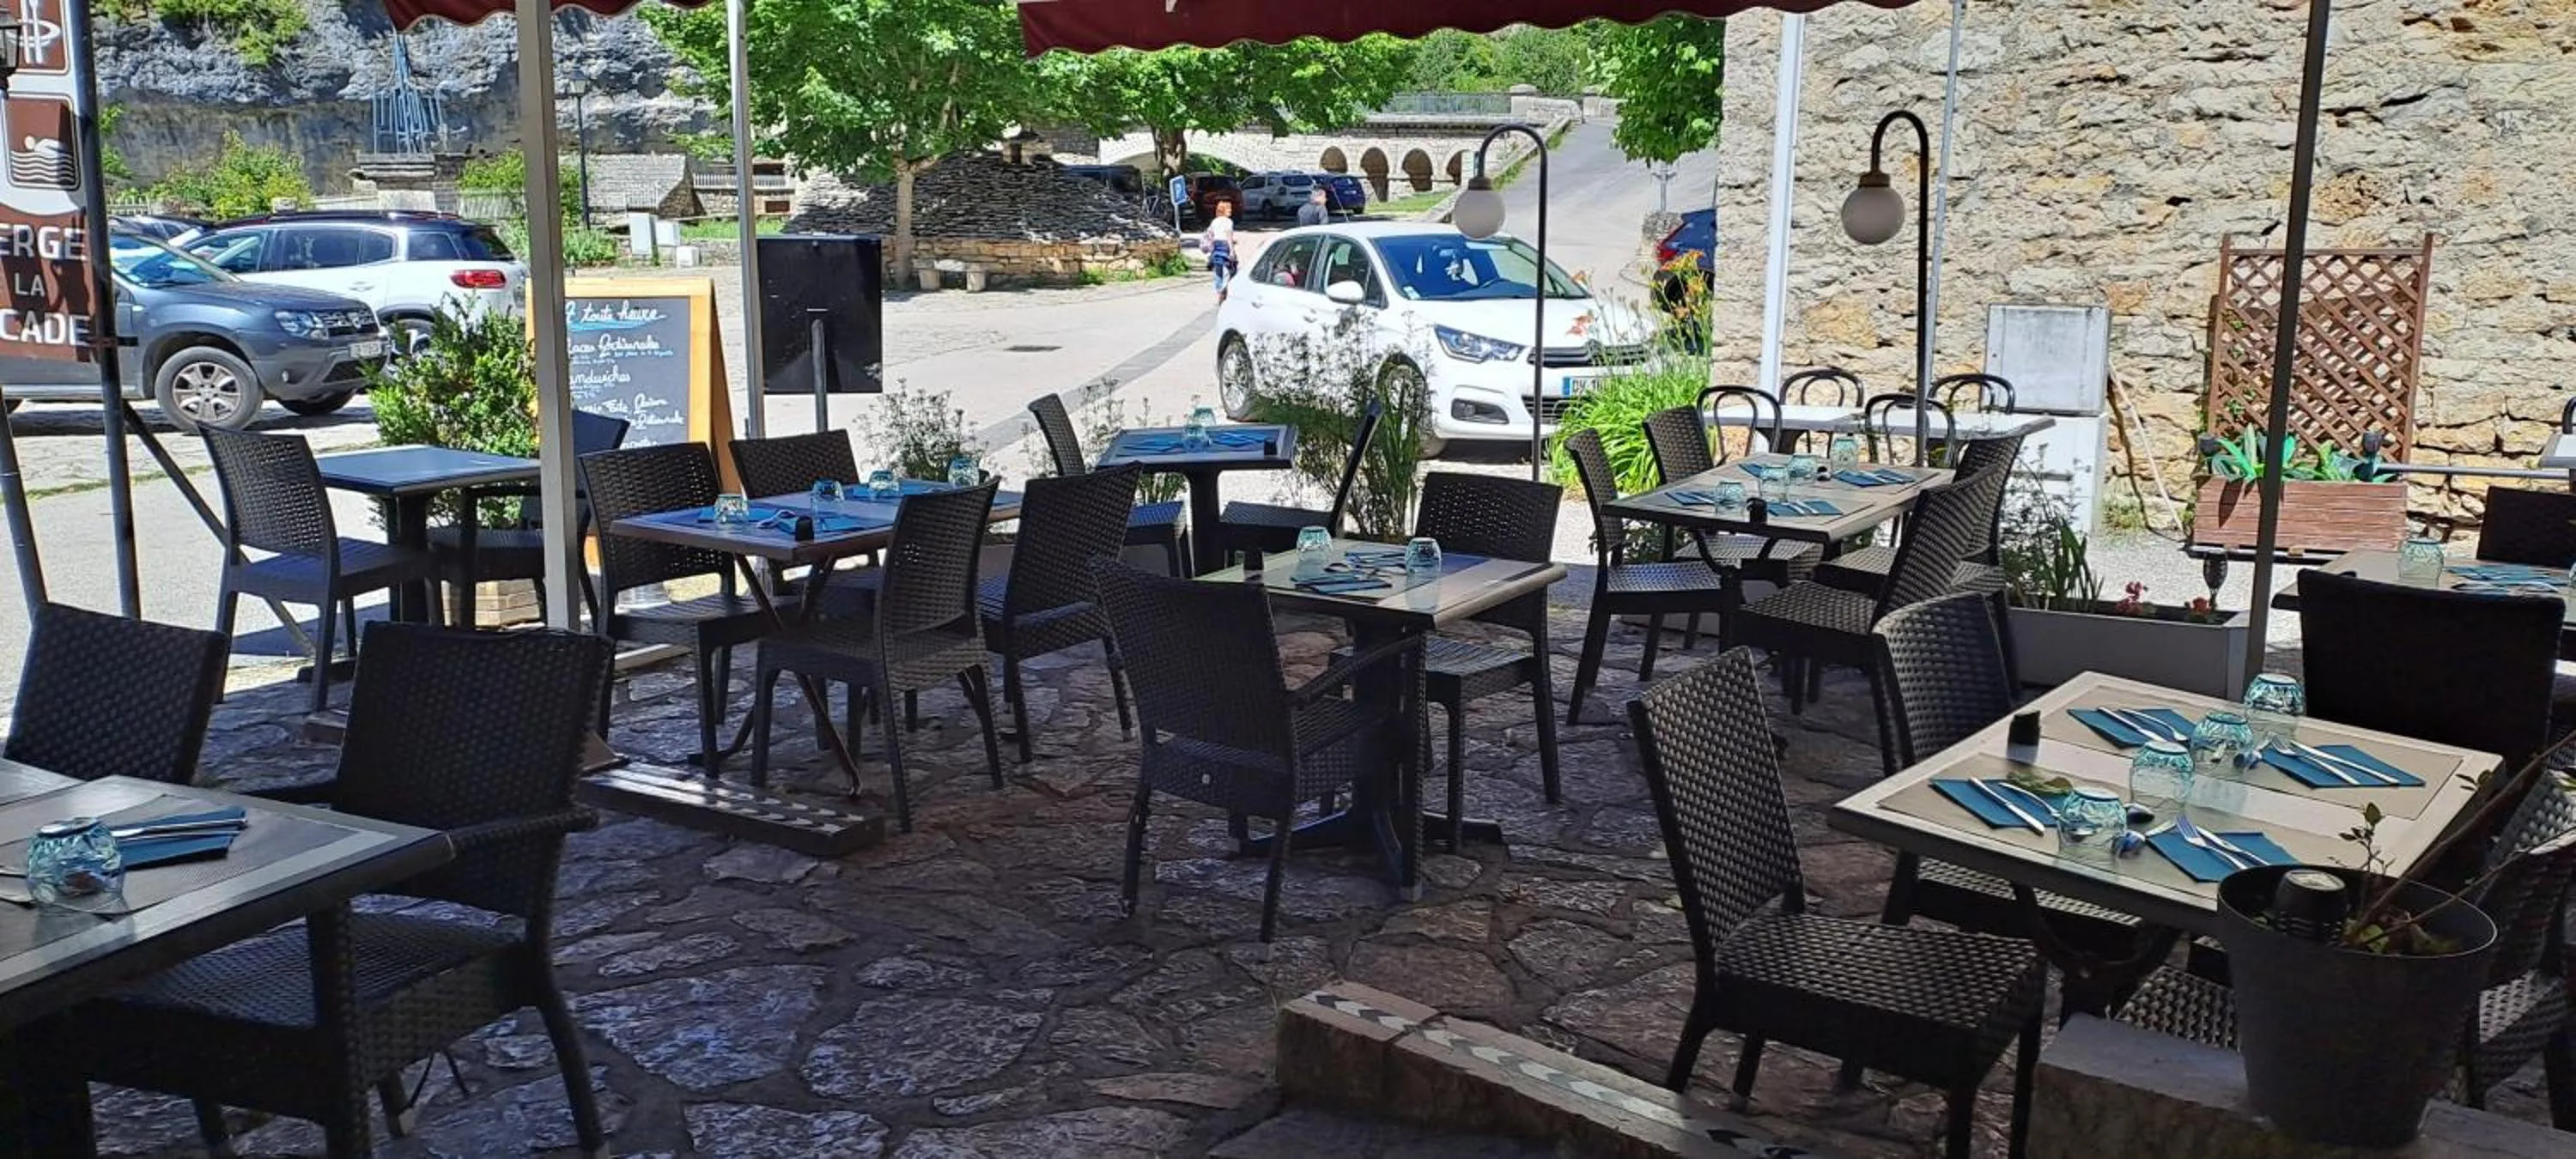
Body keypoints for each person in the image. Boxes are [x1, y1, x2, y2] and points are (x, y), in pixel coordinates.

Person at [1204, 197, 1238, 302]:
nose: (1231, 211)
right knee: (1229, 270)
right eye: (1229, 209)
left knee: (1218, 271)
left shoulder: (1214, 221)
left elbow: (1211, 235)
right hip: (1225, 246)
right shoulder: (1228, 222)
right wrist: (1232, 250)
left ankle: (1219, 291)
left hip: (1216, 246)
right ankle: (1224, 289)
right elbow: (1228, 236)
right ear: (1223, 210)